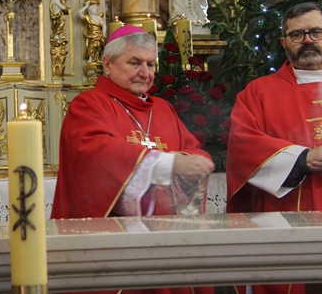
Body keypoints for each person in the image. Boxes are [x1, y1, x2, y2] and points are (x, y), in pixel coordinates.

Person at [52, 25, 215, 294]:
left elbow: (193, 151)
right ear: (107, 64)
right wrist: (168, 163)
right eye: (135, 62)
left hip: (167, 242)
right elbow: (97, 153)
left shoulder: (162, 108)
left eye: (151, 64)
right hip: (114, 245)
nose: (145, 72)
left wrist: (192, 161)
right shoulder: (89, 104)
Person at [227, 2, 322, 294]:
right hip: (286, 213)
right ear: (284, 42)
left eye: (316, 32)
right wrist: (302, 158)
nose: (307, 40)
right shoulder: (258, 93)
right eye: (296, 34)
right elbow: (243, 145)